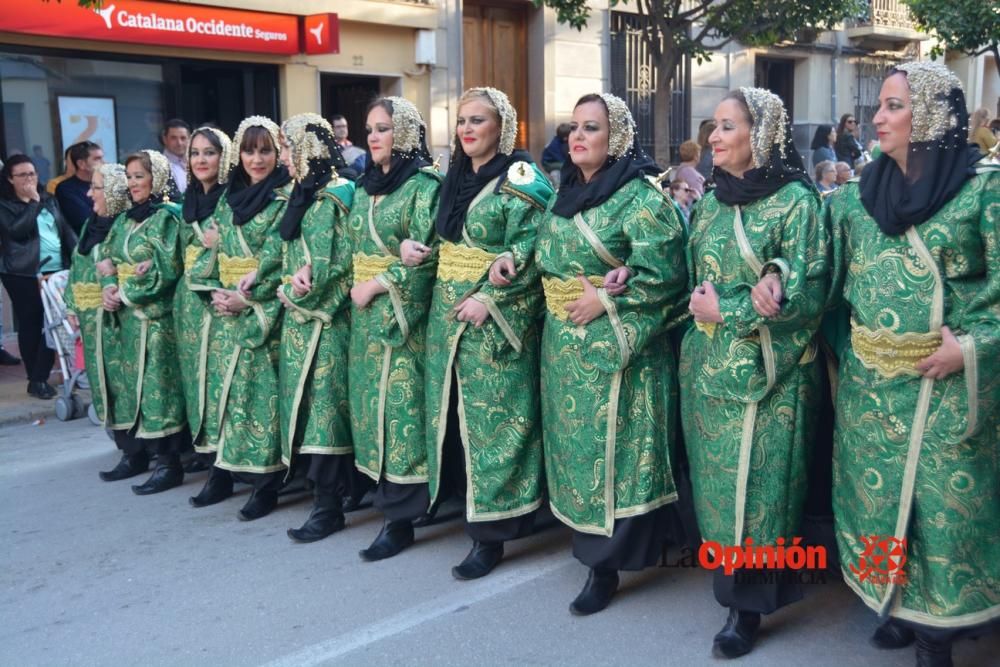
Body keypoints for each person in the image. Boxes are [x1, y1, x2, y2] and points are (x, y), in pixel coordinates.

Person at [827, 61, 999, 667]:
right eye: (880, 105)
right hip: (871, 386)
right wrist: (772, 279)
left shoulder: (985, 191)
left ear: (929, 115)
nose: (878, 117)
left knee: (941, 514)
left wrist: (972, 349)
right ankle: (890, 602)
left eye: (894, 106)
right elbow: (820, 275)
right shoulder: (856, 198)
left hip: (946, 385)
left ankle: (939, 632)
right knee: (872, 501)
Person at [682, 88, 827, 658]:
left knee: (764, 495)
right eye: (712, 127)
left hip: (775, 376)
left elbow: (809, 293)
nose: (714, 137)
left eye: (726, 127)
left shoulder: (797, 202)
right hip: (709, 370)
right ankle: (729, 585)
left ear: (760, 134)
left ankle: (750, 607)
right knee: (720, 491)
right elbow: (696, 278)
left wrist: (738, 306)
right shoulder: (713, 201)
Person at [384, 87, 552, 578]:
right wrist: (412, 251)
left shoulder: (523, 178)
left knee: (494, 427)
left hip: (493, 326)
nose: (468, 129)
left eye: (478, 120)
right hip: (445, 320)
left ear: (503, 126)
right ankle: (460, 507)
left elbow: (540, 247)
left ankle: (493, 533)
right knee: (452, 420)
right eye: (461, 121)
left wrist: (494, 298)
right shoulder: (455, 178)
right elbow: (445, 243)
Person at [536, 93, 688, 616]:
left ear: (616, 136)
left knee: (616, 459)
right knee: (577, 453)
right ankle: (589, 546)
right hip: (564, 348)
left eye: (592, 128)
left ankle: (606, 566)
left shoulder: (642, 198)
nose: (577, 136)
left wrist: (605, 296)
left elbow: (668, 277)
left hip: (618, 353)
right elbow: (547, 256)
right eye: (573, 127)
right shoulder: (566, 190)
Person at [347, 98, 442, 553]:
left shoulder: (425, 187)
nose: (373, 137)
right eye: (369, 129)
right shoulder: (367, 187)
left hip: (405, 321)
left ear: (404, 133)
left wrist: (382, 281)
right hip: (366, 319)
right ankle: (385, 502)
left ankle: (402, 518)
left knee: (402, 413)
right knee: (374, 413)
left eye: (383, 128)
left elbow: (433, 257)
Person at [190, 116, 292, 521]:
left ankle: (265, 484)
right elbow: (211, 253)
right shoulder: (228, 198)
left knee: (260, 403)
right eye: (249, 150)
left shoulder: (286, 199)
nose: (257, 159)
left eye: (265, 150)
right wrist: (215, 290)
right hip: (227, 314)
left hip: (261, 312)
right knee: (228, 400)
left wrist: (247, 300)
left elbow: (284, 258)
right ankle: (224, 471)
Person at [271, 113, 358, 542]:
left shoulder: (341, 193)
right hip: (297, 318)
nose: (283, 157)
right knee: (308, 411)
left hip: (329, 323)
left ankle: (329, 507)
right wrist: (284, 284)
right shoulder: (301, 193)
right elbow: (287, 254)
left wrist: (306, 291)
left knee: (327, 414)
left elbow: (346, 261)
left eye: (288, 147)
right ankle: (327, 496)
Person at [96, 150, 189, 494]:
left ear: (158, 179)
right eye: (130, 176)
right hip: (125, 320)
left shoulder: (166, 218)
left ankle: (169, 464)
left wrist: (126, 289)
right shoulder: (123, 220)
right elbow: (106, 258)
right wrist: (109, 286)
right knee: (129, 388)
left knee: (157, 392)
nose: (132, 183)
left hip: (154, 320)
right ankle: (135, 454)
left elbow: (168, 269)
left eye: (140, 176)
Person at [63, 163, 141, 480]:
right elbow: (77, 264)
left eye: (96, 187)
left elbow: (128, 269)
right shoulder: (91, 225)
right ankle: (124, 446)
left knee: (122, 386)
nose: (88, 193)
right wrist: (71, 303)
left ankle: (134, 453)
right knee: (102, 385)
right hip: (90, 318)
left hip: (114, 321)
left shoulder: (122, 227)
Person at [176, 127, 233, 471]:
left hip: (220, 303)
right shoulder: (190, 200)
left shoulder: (234, 199)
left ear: (224, 156)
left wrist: (220, 244)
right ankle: (206, 448)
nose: (201, 160)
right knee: (197, 381)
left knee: (221, 384)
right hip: (189, 308)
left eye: (209, 152)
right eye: (195, 153)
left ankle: (225, 461)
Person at [0, 155, 77, 399]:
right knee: (32, 324)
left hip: (56, 270)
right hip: (23, 272)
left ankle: (39, 376)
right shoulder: (5, 205)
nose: (29, 179)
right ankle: (37, 379)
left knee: (55, 322)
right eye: (22, 175)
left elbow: (64, 230)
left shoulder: (48, 199)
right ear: (10, 179)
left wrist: (78, 256)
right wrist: (32, 204)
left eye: (32, 173)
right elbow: (16, 232)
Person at [55, 141, 104, 235]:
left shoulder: (107, 184)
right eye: (97, 159)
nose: (103, 162)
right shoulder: (66, 189)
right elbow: (86, 220)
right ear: (81, 164)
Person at [161, 118, 192, 194]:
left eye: (183, 138)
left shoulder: (196, 162)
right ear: (165, 139)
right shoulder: (160, 166)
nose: (179, 143)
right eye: (173, 138)